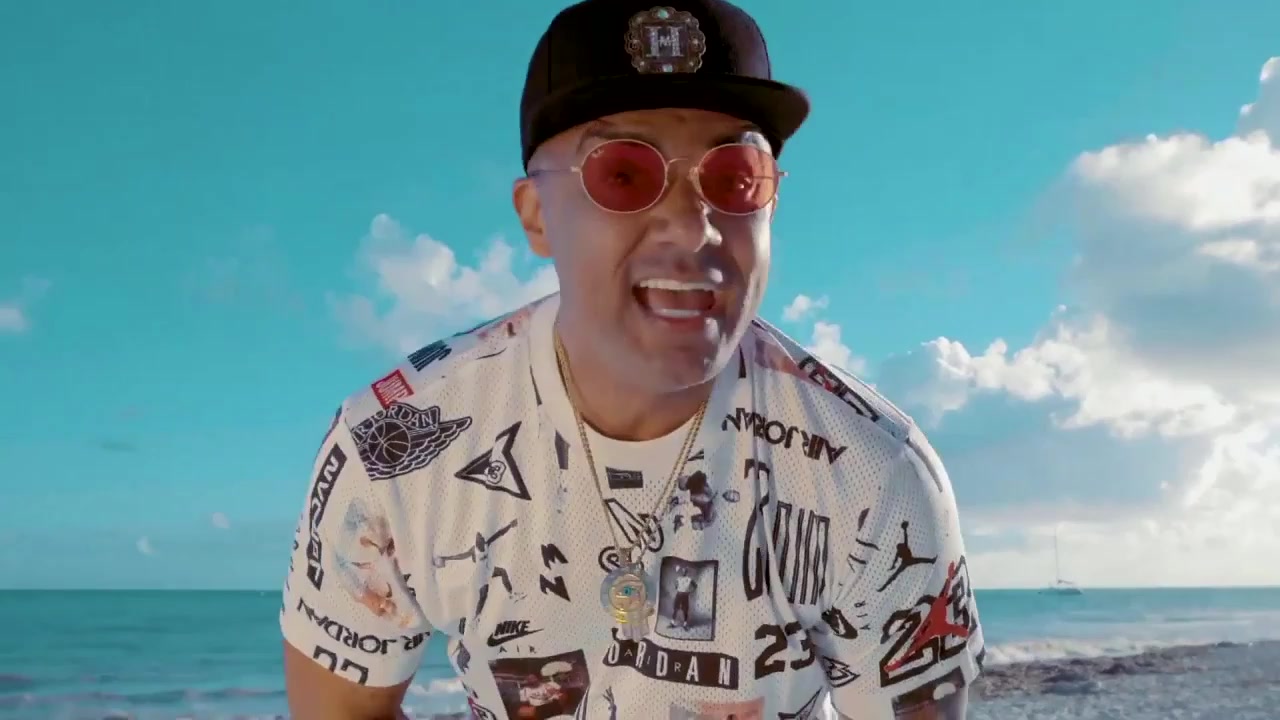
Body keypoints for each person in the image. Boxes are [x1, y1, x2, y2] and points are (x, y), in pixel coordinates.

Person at [279, 0, 985, 718]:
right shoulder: (393, 451)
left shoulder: (873, 474)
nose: (693, 225)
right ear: (535, 215)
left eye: (735, 177)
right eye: (622, 174)